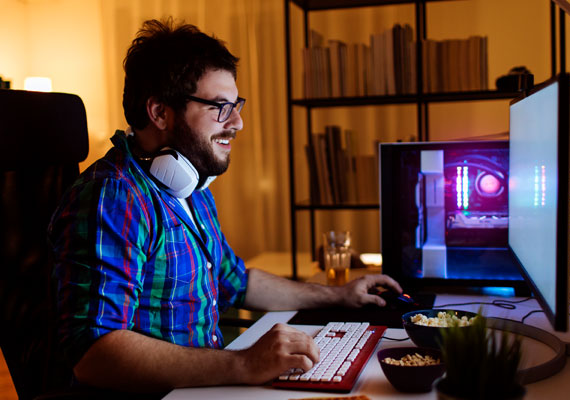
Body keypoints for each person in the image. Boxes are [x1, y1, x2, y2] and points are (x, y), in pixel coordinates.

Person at [48, 18, 401, 395]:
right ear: (160, 113)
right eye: (220, 107)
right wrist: (245, 364)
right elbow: (94, 354)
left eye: (236, 106)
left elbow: (236, 281)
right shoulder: (115, 197)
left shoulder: (192, 186)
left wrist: (339, 295)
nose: (238, 122)